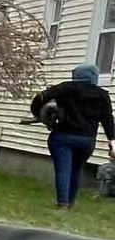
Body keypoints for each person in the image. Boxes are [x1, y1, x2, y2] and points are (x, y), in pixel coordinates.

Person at [29, 63, 115, 209]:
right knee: (76, 169)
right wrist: (112, 140)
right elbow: (108, 119)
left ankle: (63, 204)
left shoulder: (65, 88)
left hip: (63, 136)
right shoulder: (102, 95)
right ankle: (71, 202)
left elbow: (40, 97)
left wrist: (39, 114)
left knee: (63, 169)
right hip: (87, 139)